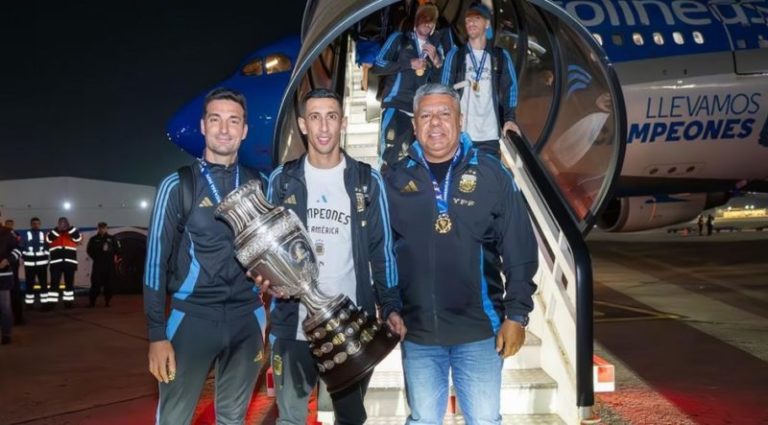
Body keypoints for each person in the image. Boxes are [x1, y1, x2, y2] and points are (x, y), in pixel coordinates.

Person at [383, 83, 538, 424]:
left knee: (483, 420)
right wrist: (391, 306)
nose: (435, 123)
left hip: (479, 332)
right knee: (423, 419)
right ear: (414, 125)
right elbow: (383, 255)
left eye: (444, 114)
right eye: (426, 115)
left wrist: (517, 314)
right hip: (419, 333)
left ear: (460, 119)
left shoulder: (492, 174)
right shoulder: (393, 179)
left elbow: (519, 246)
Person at [263, 88, 405, 425]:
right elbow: (267, 252)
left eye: (330, 116)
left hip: (349, 328)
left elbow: (382, 250)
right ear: (302, 124)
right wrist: (267, 281)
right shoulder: (282, 181)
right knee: (290, 419)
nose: (323, 126)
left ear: (342, 122)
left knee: (351, 418)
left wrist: (391, 305)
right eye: (314, 117)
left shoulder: (367, 180)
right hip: (293, 326)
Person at [143, 88, 265, 425]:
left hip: (248, 319)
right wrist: (156, 335)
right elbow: (154, 265)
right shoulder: (177, 185)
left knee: (233, 419)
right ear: (203, 126)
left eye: (233, 120)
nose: (224, 129)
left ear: (244, 130)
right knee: (174, 419)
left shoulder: (261, 184)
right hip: (191, 320)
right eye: (216, 119)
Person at [441, 2, 520, 158]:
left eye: (476, 18)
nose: (470, 22)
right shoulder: (455, 55)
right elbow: (444, 91)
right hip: (461, 134)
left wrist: (510, 118)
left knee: (488, 179)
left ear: (487, 23)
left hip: (489, 135)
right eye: (468, 19)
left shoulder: (500, 56)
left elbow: (511, 88)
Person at [371, 2, 444, 169]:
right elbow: (377, 65)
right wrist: (408, 63)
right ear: (416, 20)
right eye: (425, 19)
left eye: (431, 21)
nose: (428, 24)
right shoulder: (399, 39)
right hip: (395, 106)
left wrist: (437, 62)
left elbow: (442, 83)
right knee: (389, 159)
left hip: (421, 112)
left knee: (417, 164)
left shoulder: (435, 48)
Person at [46, 217, 82, 309]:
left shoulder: (73, 232)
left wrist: (69, 228)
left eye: (64, 222)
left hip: (69, 264)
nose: (62, 224)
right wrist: (58, 230)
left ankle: (68, 303)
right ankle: (51, 304)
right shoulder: (52, 232)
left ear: (68, 223)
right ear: (58, 223)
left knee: (69, 285)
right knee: (54, 285)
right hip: (56, 264)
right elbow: (49, 240)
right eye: (60, 223)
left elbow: (78, 239)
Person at [86, 222, 120, 307]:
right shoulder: (93, 239)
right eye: (100, 228)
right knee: (95, 283)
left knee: (109, 284)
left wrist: (116, 258)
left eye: (103, 228)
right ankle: (92, 302)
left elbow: (118, 250)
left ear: (106, 228)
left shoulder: (112, 239)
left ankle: (107, 302)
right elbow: (89, 250)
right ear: (98, 228)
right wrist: (96, 258)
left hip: (109, 265)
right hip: (98, 265)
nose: (102, 229)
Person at [19, 217, 49, 310]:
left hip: (42, 265)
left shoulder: (44, 234)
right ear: (31, 224)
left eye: (37, 223)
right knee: (29, 285)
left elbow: (48, 247)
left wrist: (45, 256)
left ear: (40, 224)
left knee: (43, 285)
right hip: (30, 264)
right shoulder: (26, 234)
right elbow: (21, 247)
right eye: (34, 223)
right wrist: (25, 256)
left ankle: (45, 304)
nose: (36, 225)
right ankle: (29, 305)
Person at [0, 211, 20, 344]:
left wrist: (8, 260)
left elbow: (19, 249)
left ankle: (6, 334)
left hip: (3, 277)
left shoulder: (7, 232)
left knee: (5, 308)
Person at [4, 219, 23, 325]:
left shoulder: (13, 234)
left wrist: (8, 259)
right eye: (8, 224)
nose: (10, 226)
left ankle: (18, 318)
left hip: (10, 268)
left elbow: (18, 248)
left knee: (14, 292)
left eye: (11, 224)